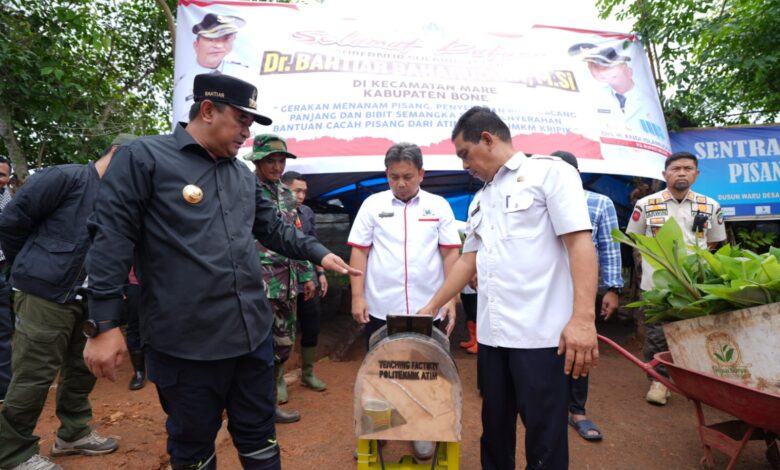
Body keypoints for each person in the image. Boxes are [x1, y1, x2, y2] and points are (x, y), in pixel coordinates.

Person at [82, 74, 357, 470]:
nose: (247, 132)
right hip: (186, 343)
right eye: (242, 120)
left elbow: (273, 228)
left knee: (259, 437)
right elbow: (112, 236)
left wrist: (319, 253)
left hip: (250, 336)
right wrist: (104, 323)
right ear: (208, 110)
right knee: (193, 445)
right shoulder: (146, 158)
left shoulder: (240, 175)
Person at [417, 106, 598, 470]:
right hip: (493, 338)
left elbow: (580, 244)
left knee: (544, 436)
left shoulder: (549, 173)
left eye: (464, 154)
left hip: (541, 337)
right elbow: (468, 259)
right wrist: (432, 305)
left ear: (488, 138)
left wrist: (582, 319)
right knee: (494, 431)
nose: (463, 164)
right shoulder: (481, 198)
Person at [0, 135, 134, 470]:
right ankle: (11, 452)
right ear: (118, 153)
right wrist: (34, 267)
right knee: (35, 373)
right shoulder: (64, 177)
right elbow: (12, 224)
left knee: (81, 368)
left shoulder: (126, 197)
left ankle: (73, 432)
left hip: (92, 299)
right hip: (45, 294)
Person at [348, 142, 461, 460]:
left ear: (421, 174)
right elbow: (360, 250)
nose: (400, 183)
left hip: (429, 306)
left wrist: (451, 299)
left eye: (408, 176)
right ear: (386, 174)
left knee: (427, 368)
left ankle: (422, 430)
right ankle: (379, 430)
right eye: (393, 176)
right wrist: (357, 296)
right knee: (380, 368)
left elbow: (450, 253)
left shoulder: (439, 206)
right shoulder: (372, 205)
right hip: (383, 305)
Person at [626, 151, 726, 405]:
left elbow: (714, 241)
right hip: (657, 283)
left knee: (694, 332)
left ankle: (694, 382)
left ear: (696, 173)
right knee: (657, 333)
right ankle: (659, 382)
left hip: (693, 286)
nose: (681, 173)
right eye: (675, 168)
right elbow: (636, 239)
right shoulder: (646, 204)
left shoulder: (710, 205)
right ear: (664, 174)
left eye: (687, 168)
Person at [552, 150, 624, 441]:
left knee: (580, 346)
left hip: (581, 291)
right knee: (547, 347)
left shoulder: (598, 203)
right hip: (546, 291)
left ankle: (577, 410)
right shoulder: (540, 202)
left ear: (575, 174)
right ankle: (549, 406)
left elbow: (609, 246)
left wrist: (612, 288)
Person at [244, 135, 316, 424]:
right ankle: (252, 409)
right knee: (255, 349)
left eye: (280, 160)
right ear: (257, 161)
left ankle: (269, 403)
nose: (276, 166)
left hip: (287, 283)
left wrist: (307, 274)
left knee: (283, 345)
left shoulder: (286, 195)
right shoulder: (245, 188)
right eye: (270, 160)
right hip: (257, 283)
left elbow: (295, 237)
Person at [281, 171, 328, 392]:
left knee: (311, 326)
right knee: (283, 332)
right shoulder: (272, 213)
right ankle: (278, 380)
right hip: (282, 281)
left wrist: (321, 274)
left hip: (308, 280)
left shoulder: (307, 213)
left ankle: (308, 373)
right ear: (284, 189)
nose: (301, 196)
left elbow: (312, 243)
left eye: (303, 192)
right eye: (296, 191)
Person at [173, 13, 249, 123]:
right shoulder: (183, 84)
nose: (218, 46)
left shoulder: (243, 73)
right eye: (211, 39)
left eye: (225, 39)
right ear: (196, 45)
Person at [0, 157, 13, 405]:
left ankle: (4, 388)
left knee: (3, 330)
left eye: (3, 174)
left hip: (1, 268)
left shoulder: (8, 197)